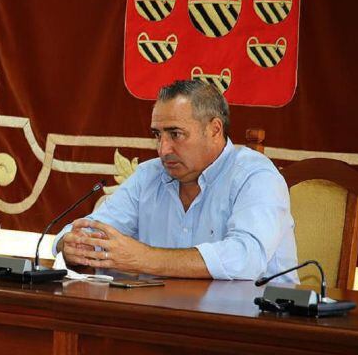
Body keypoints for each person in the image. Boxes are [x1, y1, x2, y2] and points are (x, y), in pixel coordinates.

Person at [54, 79, 298, 281]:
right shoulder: (149, 176)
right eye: (157, 135)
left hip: (254, 327)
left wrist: (144, 258)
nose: (163, 148)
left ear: (214, 130)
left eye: (175, 134)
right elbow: (85, 232)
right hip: (166, 320)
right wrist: (73, 244)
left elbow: (246, 258)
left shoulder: (255, 176)